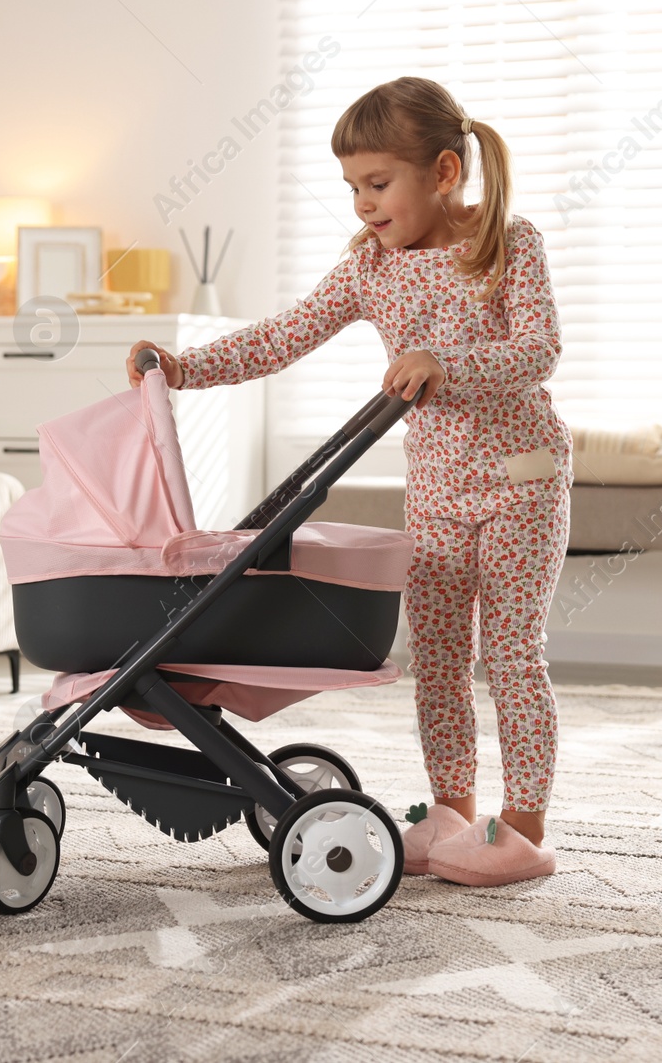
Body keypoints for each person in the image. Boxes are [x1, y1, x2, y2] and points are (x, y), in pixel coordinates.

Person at [125, 76, 572, 887]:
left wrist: (449, 364)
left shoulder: (509, 243)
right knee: (437, 655)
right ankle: (452, 811)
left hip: (522, 480)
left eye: (378, 183)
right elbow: (284, 337)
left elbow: (538, 352)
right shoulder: (371, 267)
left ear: (442, 172)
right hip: (437, 491)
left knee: (510, 651)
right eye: (351, 188)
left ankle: (524, 828)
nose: (363, 204)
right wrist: (187, 368)